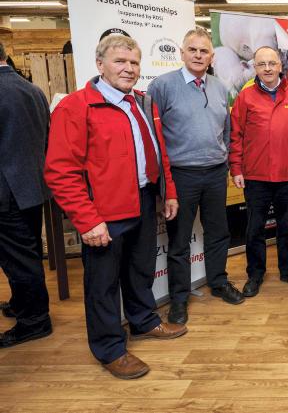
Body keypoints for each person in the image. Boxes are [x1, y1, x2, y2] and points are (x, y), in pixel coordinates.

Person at [45, 34, 186, 379]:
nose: (129, 68)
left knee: (140, 270)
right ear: (100, 64)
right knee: (103, 284)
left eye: (134, 62)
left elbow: (160, 151)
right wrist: (87, 220)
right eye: (120, 61)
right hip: (103, 212)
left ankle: (144, 321)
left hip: (143, 199)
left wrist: (168, 191)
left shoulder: (143, 102)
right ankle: (109, 348)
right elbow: (60, 170)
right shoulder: (77, 107)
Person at [147, 26, 244, 325]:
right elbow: (153, 135)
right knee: (179, 240)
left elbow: (226, 130)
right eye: (193, 50)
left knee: (218, 233)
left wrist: (225, 163)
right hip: (181, 175)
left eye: (204, 51)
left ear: (212, 56)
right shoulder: (162, 86)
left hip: (215, 173)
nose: (198, 55)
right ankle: (179, 298)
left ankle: (218, 281)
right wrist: (164, 180)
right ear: (182, 53)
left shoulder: (219, 87)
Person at [230, 46, 288, 296]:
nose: (267, 68)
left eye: (272, 63)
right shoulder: (245, 97)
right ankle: (255, 274)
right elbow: (236, 135)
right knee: (255, 229)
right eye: (262, 64)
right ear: (254, 67)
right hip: (256, 176)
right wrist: (236, 167)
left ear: (280, 66)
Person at [0, 42, 52, 348]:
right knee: (26, 254)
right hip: (31, 186)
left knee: (19, 260)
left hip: (6, 193)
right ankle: (22, 304)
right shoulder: (33, 90)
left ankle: (34, 321)